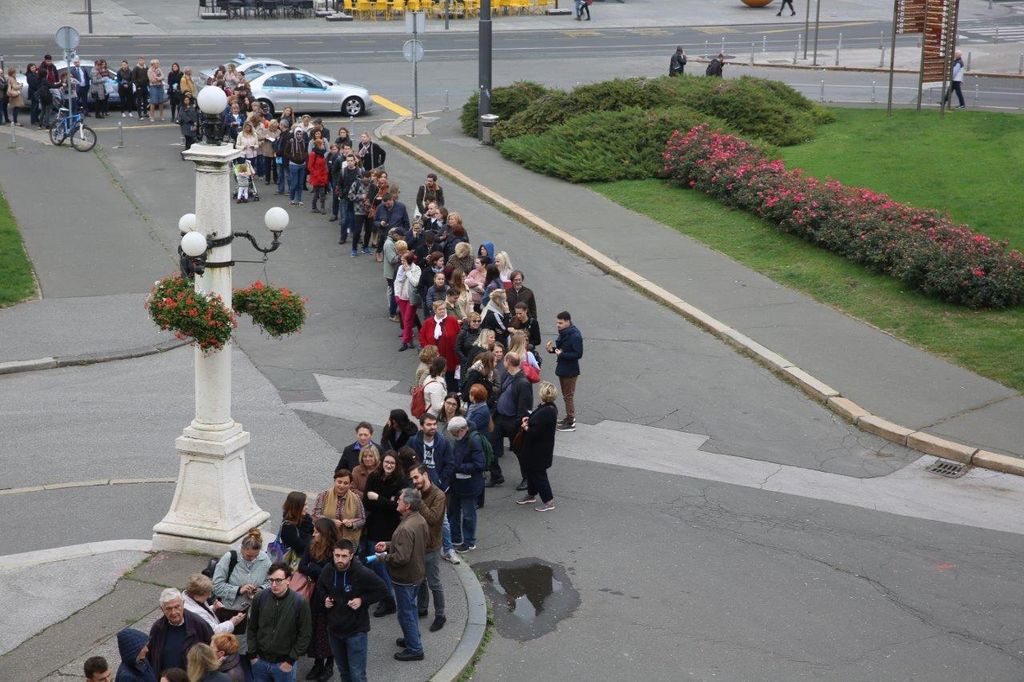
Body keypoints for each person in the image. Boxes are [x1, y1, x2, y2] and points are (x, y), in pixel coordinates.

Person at [316, 539, 388, 682]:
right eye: (337, 555)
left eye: (344, 556)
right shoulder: (328, 570)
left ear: (351, 556)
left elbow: (382, 589)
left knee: (357, 675)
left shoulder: (361, 572)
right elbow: (320, 587)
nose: (339, 560)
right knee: (344, 673)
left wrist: (362, 600)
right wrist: (325, 598)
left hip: (355, 632)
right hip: (334, 631)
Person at [373, 488, 429, 662]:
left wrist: (383, 557)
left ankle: (415, 649)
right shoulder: (419, 520)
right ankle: (412, 638)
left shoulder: (405, 527)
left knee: (405, 613)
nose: (397, 501)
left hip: (405, 578)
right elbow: (410, 545)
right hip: (417, 573)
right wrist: (389, 544)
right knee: (410, 610)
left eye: (400, 500)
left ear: (408, 505)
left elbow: (401, 558)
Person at [212, 528, 272, 678]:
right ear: (242, 549)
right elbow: (216, 586)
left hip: (255, 614)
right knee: (234, 650)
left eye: (255, 556)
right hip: (233, 614)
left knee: (252, 649)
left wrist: (262, 589)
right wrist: (239, 589)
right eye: (248, 556)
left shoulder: (264, 560)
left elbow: (270, 581)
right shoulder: (230, 558)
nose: (251, 559)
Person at [247, 563, 313, 682]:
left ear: (288, 580)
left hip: (284, 664)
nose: (273, 584)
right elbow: (252, 627)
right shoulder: (260, 597)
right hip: (260, 661)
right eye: (271, 580)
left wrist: (290, 661)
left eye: (278, 580)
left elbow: (305, 634)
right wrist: (252, 655)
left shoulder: (300, 602)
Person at [408, 413, 458, 563]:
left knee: (443, 521)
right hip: (417, 487)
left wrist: (441, 481)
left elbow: (450, 463)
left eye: (434, 424)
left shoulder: (443, 442)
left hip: (436, 487)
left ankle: (448, 549)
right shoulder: (413, 442)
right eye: (429, 424)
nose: (433, 427)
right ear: (421, 426)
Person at [362, 450, 405, 617]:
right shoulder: (374, 477)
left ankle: (388, 599)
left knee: (380, 565)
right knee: (375, 564)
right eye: (386, 462)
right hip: (373, 527)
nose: (388, 465)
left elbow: (396, 508)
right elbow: (367, 500)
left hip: (389, 530)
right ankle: (384, 595)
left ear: (396, 465)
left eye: (392, 463)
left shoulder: (400, 482)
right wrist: (387, 502)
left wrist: (378, 498)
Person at [299, 519, 341, 681]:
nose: (313, 534)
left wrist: (315, 570)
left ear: (325, 534)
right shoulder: (311, 546)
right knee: (316, 629)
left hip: (331, 595)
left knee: (328, 630)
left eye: (317, 532)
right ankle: (318, 663)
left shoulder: (335, 550)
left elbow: (332, 574)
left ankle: (329, 664)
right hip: (315, 595)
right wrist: (319, 570)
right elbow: (302, 566)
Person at [409, 465, 448, 631]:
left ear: (425, 475)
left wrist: (418, 502)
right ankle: (422, 608)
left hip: (431, 546)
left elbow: (433, 518)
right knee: (420, 579)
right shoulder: (416, 491)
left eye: (416, 477)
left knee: (434, 582)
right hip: (418, 545)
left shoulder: (439, 495)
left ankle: (440, 615)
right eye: (412, 479)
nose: (414, 481)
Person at [147, 588, 214, 676]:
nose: (173, 612)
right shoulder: (157, 628)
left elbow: (212, 653)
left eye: (177, 607)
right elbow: (151, 657)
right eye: (169, 608)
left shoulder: (199, 625)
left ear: (183, 604)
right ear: (162, 609)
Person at [446, 417, 486, 552]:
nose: (453, 436)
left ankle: (469, 542)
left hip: (469, 485)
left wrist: (458, 467)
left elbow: (479, 465)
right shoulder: (463, 438)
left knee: (468, 515)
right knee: (453, 512)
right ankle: (455, 537)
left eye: (455, 433)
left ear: (463, 430)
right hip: (457, 483)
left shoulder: (474, 440)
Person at [517, 381, 558, 511]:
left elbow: (535, 431)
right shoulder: (549, 408)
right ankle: (531, 494)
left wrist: (525, 426)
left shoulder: (546, 411)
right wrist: (530, 419)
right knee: (531, 472)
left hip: (538, 450)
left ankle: (548, 500)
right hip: (540, 449)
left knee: (538, 474)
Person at [546, 311, 583, 432]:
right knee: (566, 395)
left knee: (568, 396)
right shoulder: (564, 333)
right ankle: (568, 418)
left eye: (560, 323)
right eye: (557, 322)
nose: (558, 325)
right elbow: (559, 348)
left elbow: (578, 354)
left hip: (571, 371)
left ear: (568, 321)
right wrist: (551, 350)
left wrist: (562, 354)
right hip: (563, 368)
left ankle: (571, 421)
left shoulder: (575, 335)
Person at [312, 469, 367, 548]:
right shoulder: (323, 496)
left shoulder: (356, 498)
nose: (342, 485)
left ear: (350, 484)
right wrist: (330, 522)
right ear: (335, 481)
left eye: (345, 483)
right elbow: (314, 516)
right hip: (325, 540)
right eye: (339, 482)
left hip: (346, 543)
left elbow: (362, 519)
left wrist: (351, 524)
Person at [420, 300, 463, 392]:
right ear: (435, 310)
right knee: (436, 379)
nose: (443, 311)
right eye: (440, 309)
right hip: (434, 358)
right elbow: (422, 337)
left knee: (452, 381)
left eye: (444, 309)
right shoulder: (428, 323)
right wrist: (429, 350)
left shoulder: (452, 320)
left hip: (450, 357)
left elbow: (459, 337)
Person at [396, 251, 422, 352]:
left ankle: (405, 342)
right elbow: (398, 281)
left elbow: (415, 283)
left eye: (403, 260)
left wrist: (408, 272)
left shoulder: (417, 269)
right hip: (401, 297)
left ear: (409, 261)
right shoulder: (400, 268)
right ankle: (410, 340)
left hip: (411, 298)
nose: (401, 262)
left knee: (407, 319)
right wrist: (397, 295)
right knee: (408, 320)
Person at [278, 491, 314, 559]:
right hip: (296, 561)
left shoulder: (306, 518)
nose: (307, 507)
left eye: (307, 504)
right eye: (304, 505)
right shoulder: (288, 527)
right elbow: (300, 546)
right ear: (296, 507)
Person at [286, 128, 308, 206]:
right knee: (294, 183)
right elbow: (286, 152)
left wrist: (304, 157)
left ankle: (299, 200)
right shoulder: (291, 142)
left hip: (302, 165)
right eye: (297, 134)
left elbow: (306, 151)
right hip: (293, 165)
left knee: (300, 183)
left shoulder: (304, 142)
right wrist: (293, 158)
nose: (299, 135)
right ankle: (291, 199)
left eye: (300, 134)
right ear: (295, 134)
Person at [307, 140, 329, 215]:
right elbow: (310, 167)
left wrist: (324, 175)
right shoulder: (313, 154)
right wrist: (317, 175)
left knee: (322, 193)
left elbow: (324, 166)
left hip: (322, 176)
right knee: (317, 192)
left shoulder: (321, 154)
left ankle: (321, 208)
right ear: (318, 145)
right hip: (316, 176)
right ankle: (314, 207)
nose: (323, 145)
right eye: (322, 144)